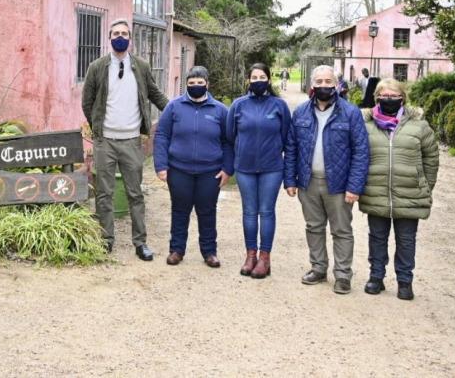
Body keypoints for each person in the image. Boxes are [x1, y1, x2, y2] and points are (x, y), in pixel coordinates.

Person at [82, 18, 168, 261]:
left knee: (135, 194)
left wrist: (174, 110)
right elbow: (86, 102)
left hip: (131, 141)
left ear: (130, 39)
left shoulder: (140, 66)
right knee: (104, 194)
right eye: (115, 33)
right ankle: (106, 240)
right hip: (105, 142)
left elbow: (154, 93)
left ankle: (140, 243)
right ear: (109, 38)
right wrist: (99, 128)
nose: (120, 36)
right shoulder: (97, 67)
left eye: (124, 33)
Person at [284, 64, 369, 294]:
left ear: (336, 84)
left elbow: (361, 152)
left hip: (339, 184)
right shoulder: (301, 112)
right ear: (312, 85)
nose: (324, 86)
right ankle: (318, 268)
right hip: (308, 182)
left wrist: (354, 186)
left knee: (341, 230)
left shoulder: (350, 113)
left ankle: (342, 275)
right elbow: (291, 147)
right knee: (313, 227)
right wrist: (290, 180)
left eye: (328, 82)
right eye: (319, 82)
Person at [359, 79, 439, 300]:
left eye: (394, 95)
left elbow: (431, 158)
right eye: (384, 95)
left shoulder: (419, 125)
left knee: (406, 240)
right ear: (376, 98)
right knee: (377, 237)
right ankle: (376, 277)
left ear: (403, 97)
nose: (389, 99)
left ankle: (405, 281)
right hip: (376, 191)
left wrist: (424, 184)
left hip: (409, 192)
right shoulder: (365, 125)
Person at [153, 67, 232, 267]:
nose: (196, 86)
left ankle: (209, 252)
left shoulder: (220, 110)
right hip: (179, 169)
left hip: (210, 171)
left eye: (200, 83)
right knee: (180, 210)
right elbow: (162, 135)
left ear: (207, 84)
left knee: (207, 211)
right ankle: (176, 250)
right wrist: (161, 165)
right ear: (186, 84)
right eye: (192, 83)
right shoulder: (174, 107)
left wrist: (227, 168)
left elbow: (229, 141)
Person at [226, 63, 291, 278]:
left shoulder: (279, 106)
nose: (257, 80)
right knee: (249, 212)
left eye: (262, 76)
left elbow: (286, 138)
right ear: (248, 80)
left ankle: (265, 258)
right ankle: (250, 255)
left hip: (271, 168)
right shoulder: (238, 105)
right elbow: (230, 135)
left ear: (269, 79)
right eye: (253, 77)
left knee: (267, 211)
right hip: (244, 168)